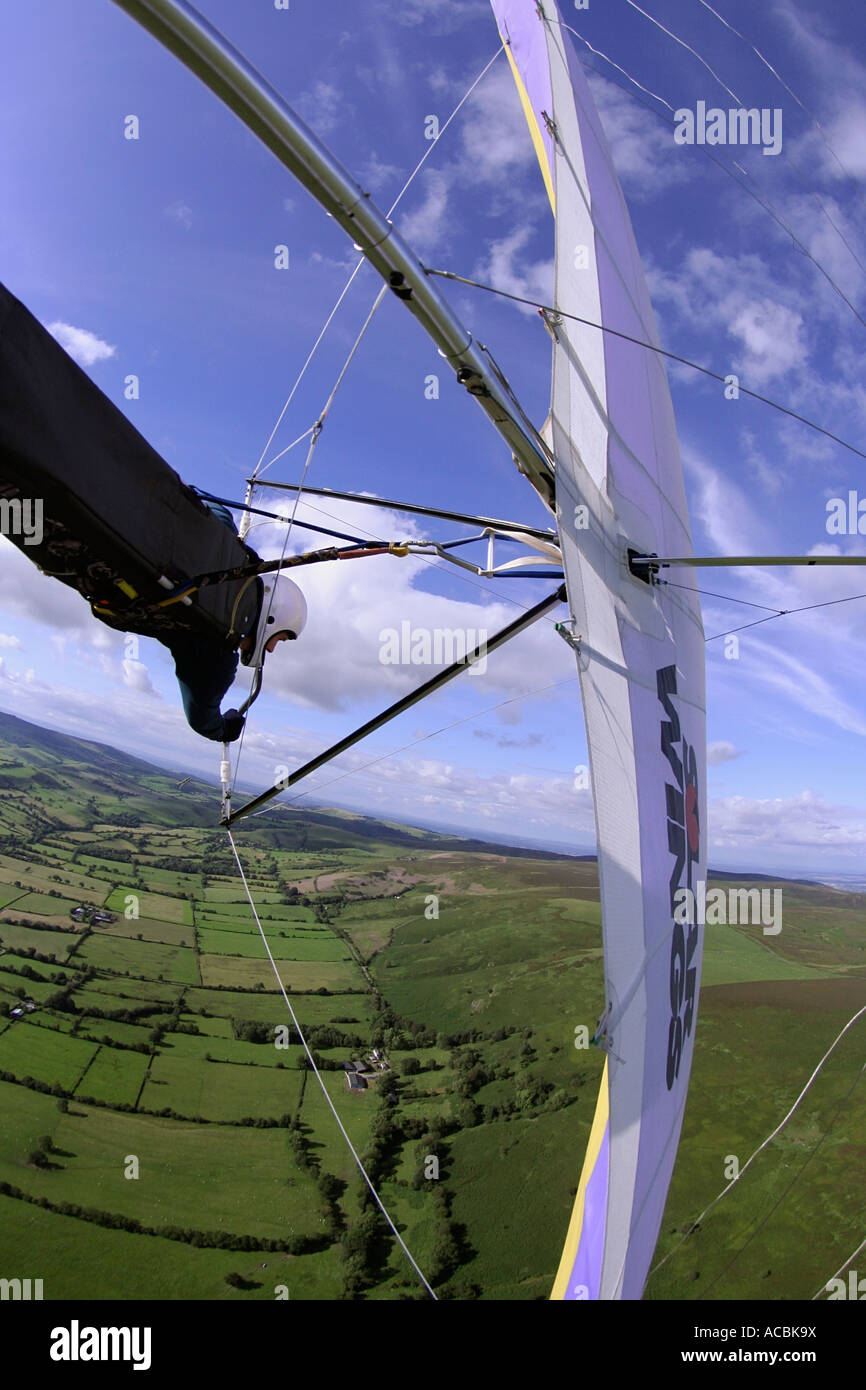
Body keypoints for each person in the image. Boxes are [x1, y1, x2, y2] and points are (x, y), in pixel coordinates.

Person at [163, 498, 307, 743]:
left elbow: (215, 510)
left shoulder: (225, 556)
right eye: (279, 639)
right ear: (270, 619)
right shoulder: (219, 652)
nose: (270, 649)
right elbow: (201, 720)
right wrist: (223, 729)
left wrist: (232, 539)